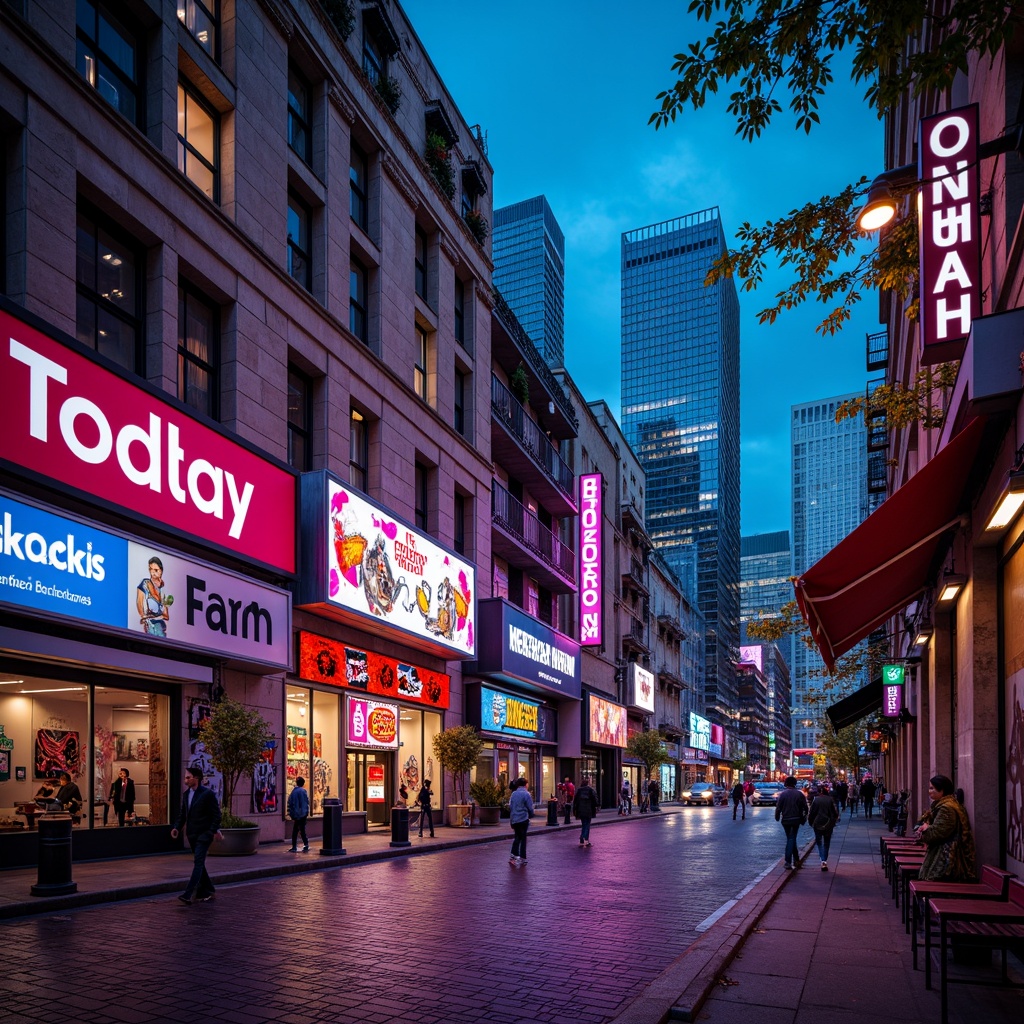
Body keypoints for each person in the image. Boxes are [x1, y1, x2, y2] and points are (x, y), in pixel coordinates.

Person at [170, 765, 223, 905]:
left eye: (188, 778)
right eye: (185, 778)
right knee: (200, 864)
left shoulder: (207, 794)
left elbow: (216, 815)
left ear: (196, 778)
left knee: (198, 863)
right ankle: (208, 889)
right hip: (192, 835)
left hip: (203, 835)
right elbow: (183, 814)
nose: (185, 780)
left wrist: (211, 832)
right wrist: (177, 828)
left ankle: (188, 893)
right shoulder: (186, 794)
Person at [915, 774, 978, 882]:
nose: (929, 791)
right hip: (945, 858)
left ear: (942, 790)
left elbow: (936, 833)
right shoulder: (945, 805)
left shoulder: (947, 808)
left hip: (946, 861)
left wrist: (925, 829)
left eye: (932, 788)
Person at [775, 776, 808, 870]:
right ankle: (792, 860)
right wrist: (804, 817)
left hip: (785, 820)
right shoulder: (799, 794)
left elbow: (778, 807)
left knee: (791, 838)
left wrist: (777, 816)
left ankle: (792, 860)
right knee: (792, 838)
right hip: (796, 819)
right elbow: (805, 807)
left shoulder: (783, 794)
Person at [808, 783, 839, 871]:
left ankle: (822, 859)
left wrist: (810, 822)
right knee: (826, 843)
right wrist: (834, 820)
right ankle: (824, 860)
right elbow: (834, 812)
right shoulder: (830, 799)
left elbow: (812, 813)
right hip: (828, 823)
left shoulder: (816, 800)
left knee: (819, 843)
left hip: (817, 823)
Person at [137, 556, 170, 636]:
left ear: (161, 571)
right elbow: (140, 607)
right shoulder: (144, 584)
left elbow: (166, 615)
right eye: (150, 569)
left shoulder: (162, 591)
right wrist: (147, 618)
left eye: (156, 570)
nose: (153, 572)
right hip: (150, 628)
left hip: (161, 629)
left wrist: (156, 617)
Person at [508, 777, 534, 866]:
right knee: (523, 838)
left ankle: (513, 855)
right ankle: (522, 857)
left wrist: (511, 820)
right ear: (525, 784)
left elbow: (510, 807)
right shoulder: (527, 794)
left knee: (517, 837)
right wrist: (531, 815)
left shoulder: (513, 794)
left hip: (515, 819)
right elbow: (530, 807)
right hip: (523, 818)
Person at [573, 776, 599, 847]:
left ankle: (582, 838)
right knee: (587, 825)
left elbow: (575, 801)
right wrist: (596, 806)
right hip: (588, 810)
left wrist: (575, 810)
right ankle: (585, 840)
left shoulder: (579, 790)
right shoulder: (591, 790)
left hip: (580, 811)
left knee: (584, 824)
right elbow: (595, 800)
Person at [287, 776, 310, 852]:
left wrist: (292, 813)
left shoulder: (294, 791)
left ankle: (294, 846)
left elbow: (290, 802)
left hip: (296, 814)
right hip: (302, 814)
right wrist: (305, 812)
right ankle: (306, 844)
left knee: (295, 831)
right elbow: (306, 803)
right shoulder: (303, 791)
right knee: (302, 830)